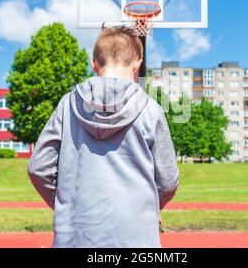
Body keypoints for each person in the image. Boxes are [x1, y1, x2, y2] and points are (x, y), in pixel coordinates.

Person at [28, 26, 179, 248]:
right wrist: (149, 208)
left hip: (75, 235)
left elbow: (39, 168)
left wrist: (68, 206)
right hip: (136, 236)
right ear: (138, 63)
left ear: (94, 63)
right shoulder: (151, 109)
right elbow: (168, 181)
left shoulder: (67, 104)